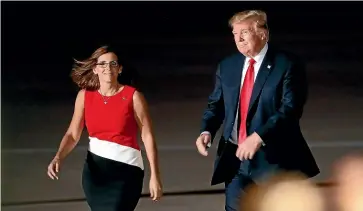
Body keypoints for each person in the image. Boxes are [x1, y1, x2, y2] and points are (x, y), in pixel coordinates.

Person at [195, 10, 320, 211]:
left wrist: (258, 137)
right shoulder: (227, 66)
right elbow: (216, 104)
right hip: (235, 160)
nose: (239, 38)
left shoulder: (287, 64)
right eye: (235, 34)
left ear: (263, 34)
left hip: (274, 161)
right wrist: (206, 130)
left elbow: (290, 109)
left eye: (244, 32)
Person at [46, 45, 163, 211]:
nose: (108, 68)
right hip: (96, 173)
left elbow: (147, 136)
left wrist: (155, 176)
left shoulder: (133, 97)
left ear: (120, 69)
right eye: (103, 64)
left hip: (127, 170)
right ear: (95, 69)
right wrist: (59, 156)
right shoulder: (85, 96)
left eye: (113, 63)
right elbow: (73, 134)